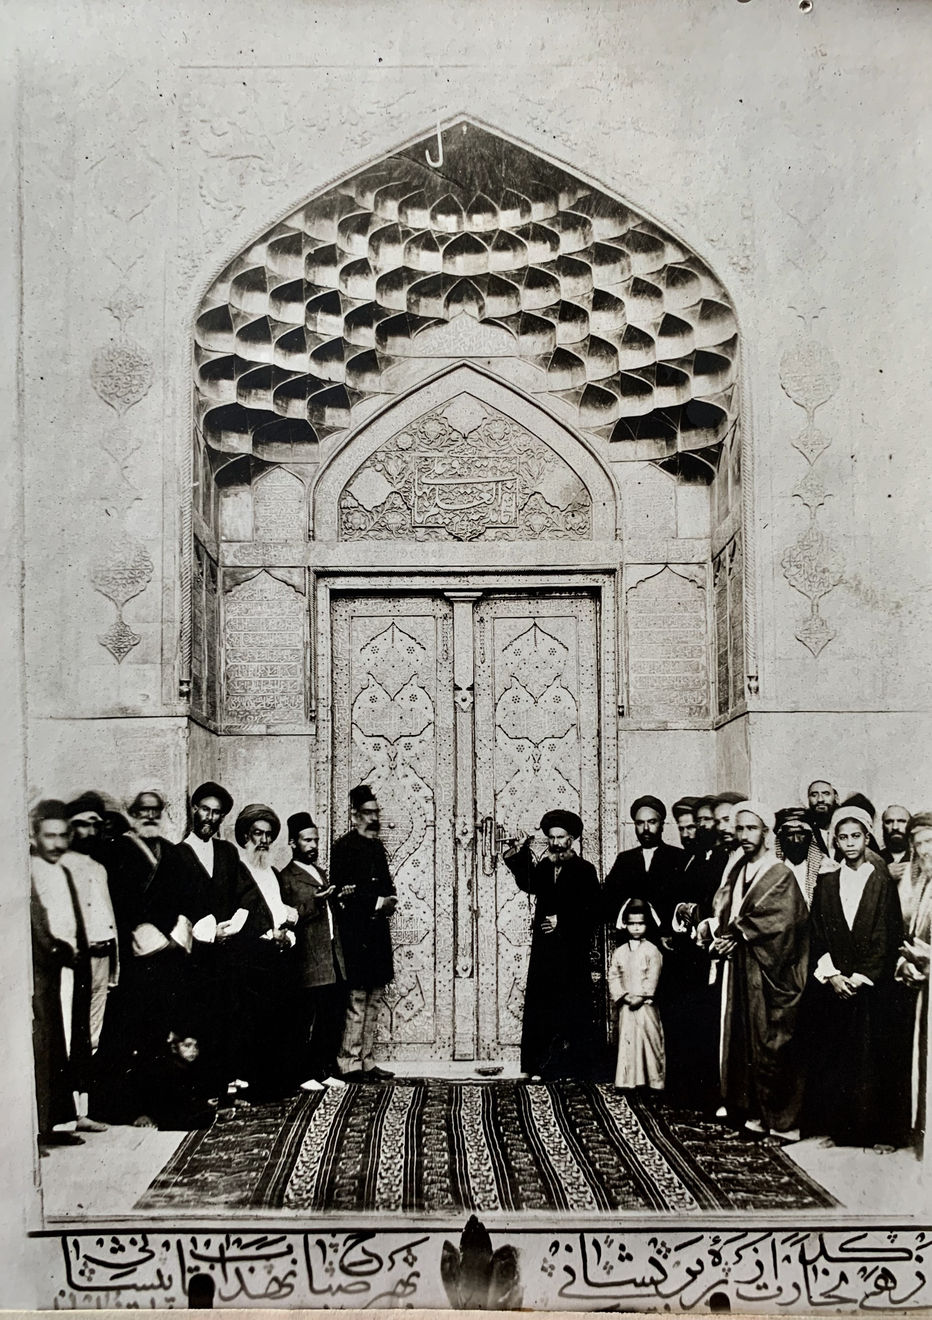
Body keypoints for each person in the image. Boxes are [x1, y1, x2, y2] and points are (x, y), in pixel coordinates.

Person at [803, 804, 906, 1150]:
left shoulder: (882, 881)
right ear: (835, 841)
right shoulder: (827, 882)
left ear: (866, 838)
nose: (849, 843)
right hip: (838, 985)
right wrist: (833, 976)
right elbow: (817, 933)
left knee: (875, 1057)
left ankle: (882, 1135)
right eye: (843, 837)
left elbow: (886, 935)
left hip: (871, 987)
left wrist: (862, 977)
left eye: (856, 836)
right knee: (839, 1056)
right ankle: (843, 1131)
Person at [710, 802, 809, 1145]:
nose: (744, 835)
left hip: (771, 970)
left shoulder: (779, 873)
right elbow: (725, 911)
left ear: (766, 832)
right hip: (741, 969)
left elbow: (784, 920)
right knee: (744, 1039)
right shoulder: (738, 869)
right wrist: (721, 933)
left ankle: (783, 1125)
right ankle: (754, 1115)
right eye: (739, 828)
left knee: (772, 1041)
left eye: (752, 828)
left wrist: (739, 933)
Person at [92, 789, 187, 1122]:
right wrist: (144, 934)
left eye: (155, 809)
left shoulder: (171, 852)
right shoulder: (116, 850)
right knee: (128, 1030)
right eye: (142, 810)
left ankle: (157, 1104)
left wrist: (174, 935)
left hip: (166, 955)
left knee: (158, 1032)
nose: (149, 815)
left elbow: (185, 898)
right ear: (131, 813)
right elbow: (117, 904)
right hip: (133, 954)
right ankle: (129, 1108)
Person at [502, 809, 600, 1080]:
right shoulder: (545, 868)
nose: (556, 843)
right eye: (551, 838)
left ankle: (572, 1068)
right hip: (545, 952)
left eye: (561, 837)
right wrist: (520, 850)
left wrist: (563, 921)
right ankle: (538, 1067)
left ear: (572, 839)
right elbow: (528, 882)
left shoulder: (585, 870)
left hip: (572, 953)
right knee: (542, 1007)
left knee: (572, 1007)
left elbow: (594, 910)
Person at [174, 781, 250, 1100]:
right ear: (194, 810)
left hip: (227, 952)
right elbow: (176, 907)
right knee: (200, 1017)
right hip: (195, 955)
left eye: (217, 813)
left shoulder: (227, 852)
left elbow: (244, 894)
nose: (210, 817)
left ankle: (225, 1082)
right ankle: (202, 1089)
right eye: (205, 810)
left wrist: (233, 926)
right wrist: (207, 932)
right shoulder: (178, 854)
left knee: (227, 1014)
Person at [30, 801, 92, 1149]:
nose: (56, 843)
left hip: (68, 971)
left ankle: (56, 1122)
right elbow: (37, 930)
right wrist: (59, 951)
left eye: (62, 836)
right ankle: (38, 1129)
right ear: (34, 836)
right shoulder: (28, 872)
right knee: (44, 1047)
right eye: (49, 836)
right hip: (44, 974)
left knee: (64, 1045)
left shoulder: (63, 872)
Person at [229, 804, 300, 1100]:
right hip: (250, 958)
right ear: (246, 836)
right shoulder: (237, 872)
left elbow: (281, 911)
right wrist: (268, 935)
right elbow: (236, 916)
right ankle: (255, 1087)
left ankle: (276, 1085)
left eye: (269, 835)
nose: (264, 840)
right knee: (253, 1024)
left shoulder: (272, 872)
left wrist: (287, 935)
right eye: (258, 833)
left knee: (277, 1021)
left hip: (277, 956)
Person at [330, 786, 397, 1082]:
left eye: (376, 813)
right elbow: (342, 895)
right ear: (354, 815)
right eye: (368, 813)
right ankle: (349, 1063)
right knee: (357, 1000)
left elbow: (387, 887)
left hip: (377, 933)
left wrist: (385, 900)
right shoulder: (343, 848)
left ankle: (367, 1061)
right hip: (355, 935)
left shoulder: (377, 848)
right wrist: (377, 902)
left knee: (374, 999)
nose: (373, 819)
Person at [278, 812, 347, 1092]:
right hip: (307, 958)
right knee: (305, 1018)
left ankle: (322, 1070)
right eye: (307, 840)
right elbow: (288, 916)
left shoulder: (320, 873)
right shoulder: (286, 877)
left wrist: (339, 898)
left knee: (330, 1017)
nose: (313, 845)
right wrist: (316, 904)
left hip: (330, 956)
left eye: (315, 840)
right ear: (293, 843)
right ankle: (302, 1074)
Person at [64, 793, 119, 1056]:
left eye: (95, 825)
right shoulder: (61, 865)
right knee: (72, 1016)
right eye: (83, 825)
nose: (91, 831)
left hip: (104, 954)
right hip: (78, 957)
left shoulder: (99, 868)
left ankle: (90, 1070)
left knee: (97, 1015)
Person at [895, 812, 932, 1153]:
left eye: (930, 841)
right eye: (918, 843)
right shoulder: (922, 885)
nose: (924, 850)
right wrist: (908, 961)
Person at [603, 796, 684, 940]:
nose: (646, 828)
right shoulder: (624, 859)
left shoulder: (678, 857)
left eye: (652, 822)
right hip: (631, 941)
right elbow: (608, 899)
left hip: (668, 940)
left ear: (662, 825)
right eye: (640, 823)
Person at [608, 901, 664, 1095]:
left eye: (640, 923)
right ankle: (628, 1081)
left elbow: (654, 974)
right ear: (626, 925)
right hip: (627, 1004)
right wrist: (623, 996)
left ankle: (654, 1082)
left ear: (646, 924)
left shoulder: (652, 950)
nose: (636, 927)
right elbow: (614, 976)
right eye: (632, 924)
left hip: (646, 1004)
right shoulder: (620, 952)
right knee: (628, 1041)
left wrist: (643, 995)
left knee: (650, 1041)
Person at [133, 1026, 217, 1131]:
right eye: (187, 1046)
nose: (193, 1050)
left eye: (196, 1046)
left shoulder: (188, 1068)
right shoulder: (164, 1070)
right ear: (174, 1048)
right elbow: (172, 1108)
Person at [774, 806, 825, 906]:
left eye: (801, 834)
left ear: (810, 837)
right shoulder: (770, 868)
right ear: (781, 839)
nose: (796, 840)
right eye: (789, 835)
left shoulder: (826, 868)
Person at [806, 779, 839, 856]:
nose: (820, 799)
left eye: (826, 794)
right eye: (814, 795)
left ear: (836, 797)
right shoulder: (805, 831)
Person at [881, 804, 912, 883]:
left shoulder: (922, 857)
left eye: (901, 821)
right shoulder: (874, 859)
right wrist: (884, 875)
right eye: (889, 822)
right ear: (883, 826)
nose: (895, 827)